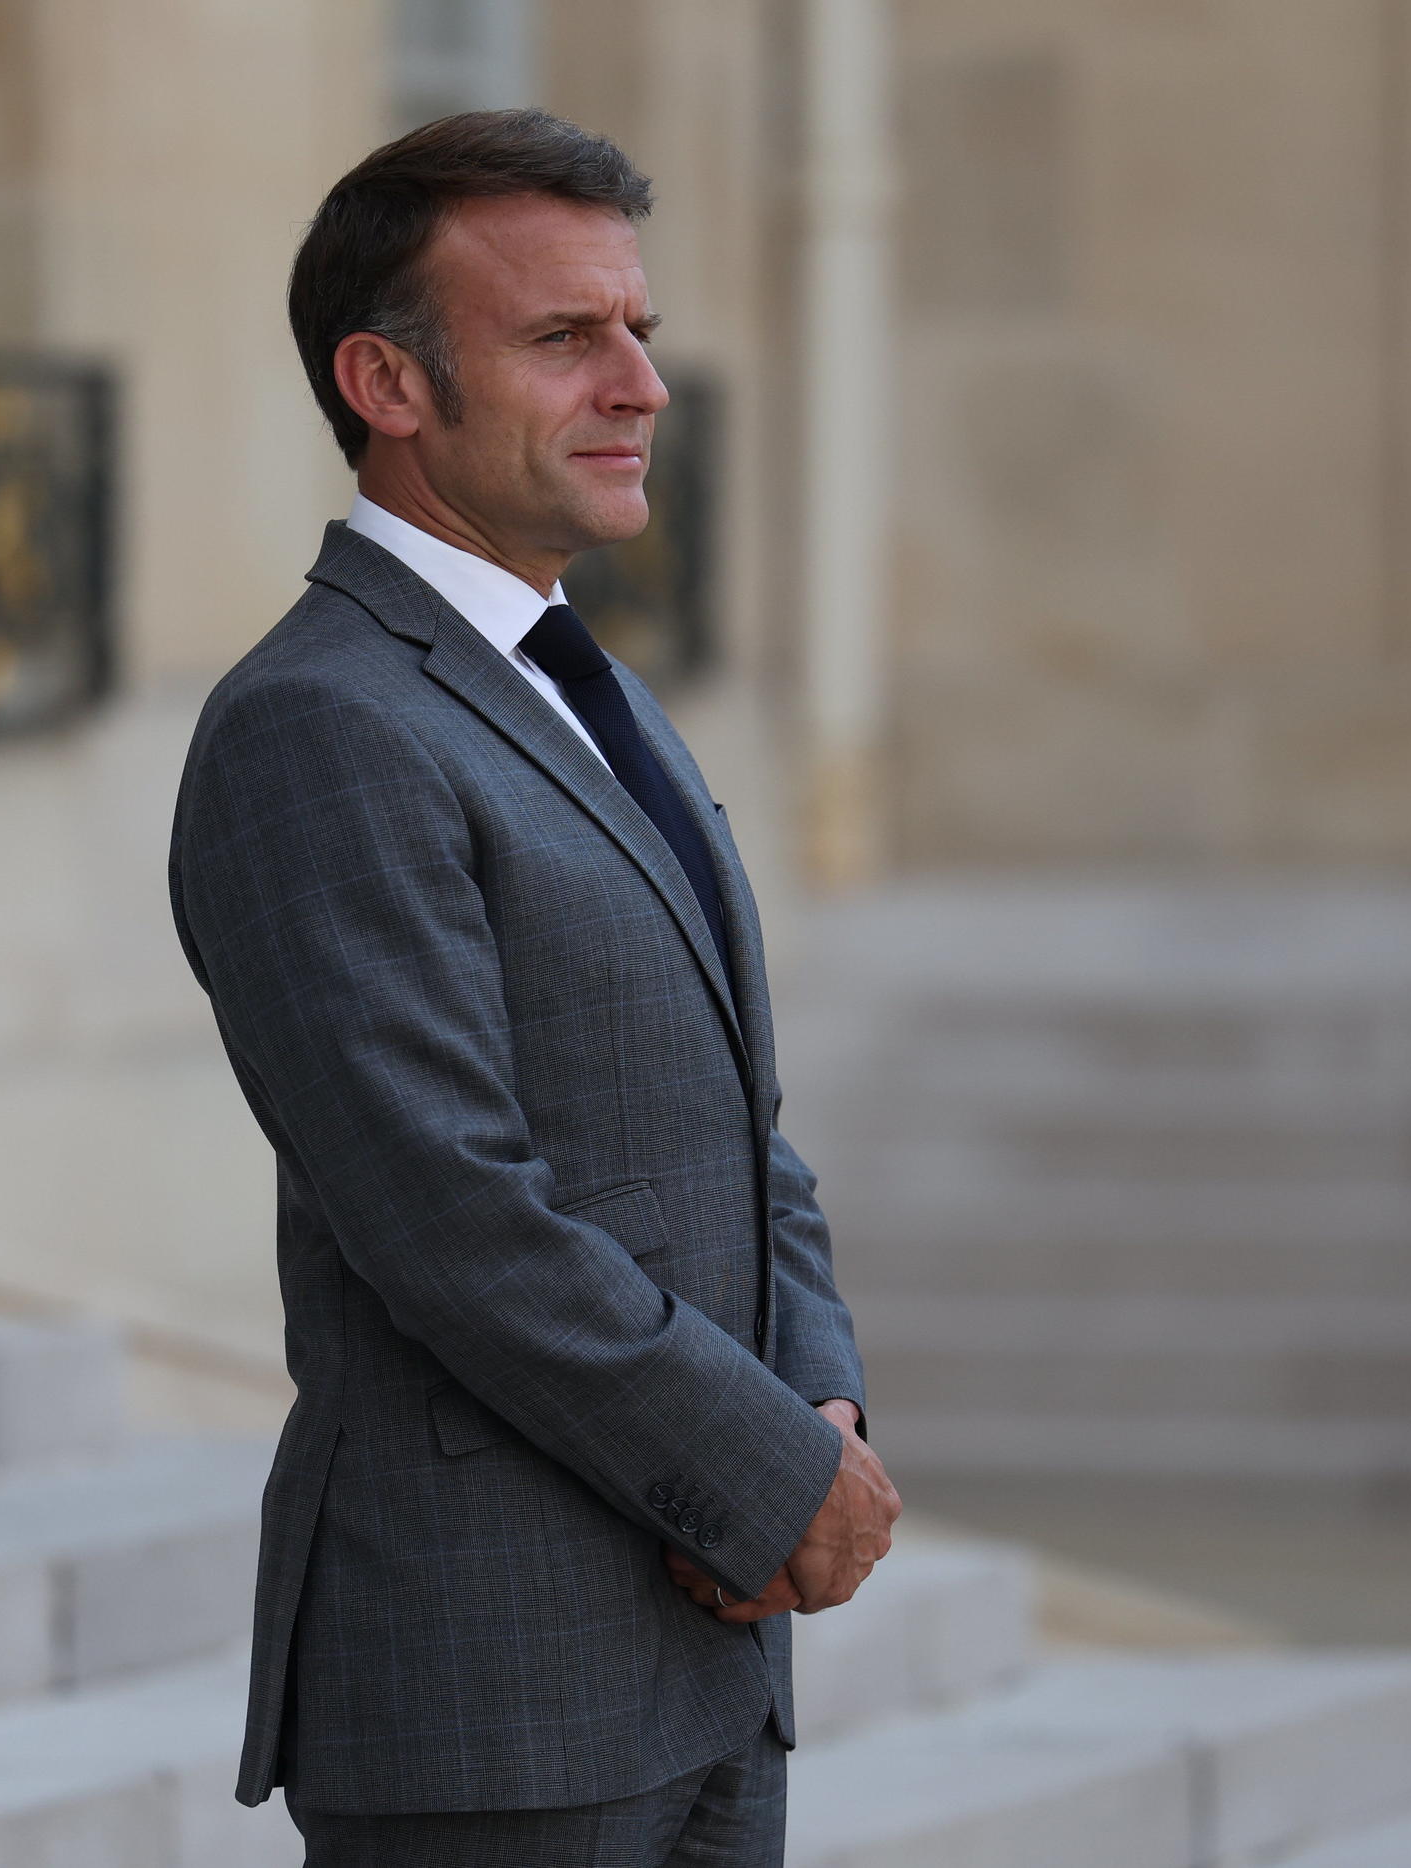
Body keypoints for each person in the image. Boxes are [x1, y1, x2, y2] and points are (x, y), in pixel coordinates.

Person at [165, 108, 898, 1866]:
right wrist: (762, 1475)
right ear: (388, 386)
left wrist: (821, 1402)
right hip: (491, 1702)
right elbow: (453, 1218)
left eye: (639, 328)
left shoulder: (581, 677)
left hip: (707, 1658)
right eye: (566, 338)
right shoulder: (317, 726)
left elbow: (741, 1124)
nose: (640, 383)